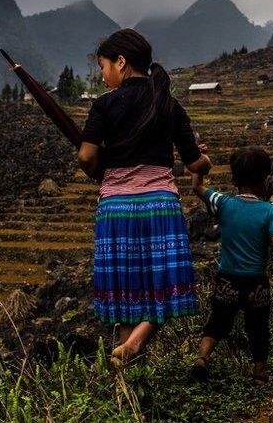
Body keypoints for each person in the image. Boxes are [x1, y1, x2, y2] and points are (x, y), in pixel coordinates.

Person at [77, 29, 212, 368]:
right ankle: (136, 346)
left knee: (125, 295)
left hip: (116, 209)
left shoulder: (104, 105)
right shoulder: (168, 103)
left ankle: (131, 378)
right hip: (159, 207)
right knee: (168, 286)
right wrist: (206, 163)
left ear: (121, 62)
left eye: (103, 66)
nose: (103, 74)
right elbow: (194, 162)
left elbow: (85, 157)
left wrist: (103, 170)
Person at [189, 146, 273, 384]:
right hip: (256, 282)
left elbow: (197, 187)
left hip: (227, 279)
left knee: (218, 322)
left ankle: (202, 358)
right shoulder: (268, 210)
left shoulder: (223, 203)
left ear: (233, 178)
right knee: (258, 327)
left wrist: (199, 164)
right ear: (266, 180)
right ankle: (259, 372)